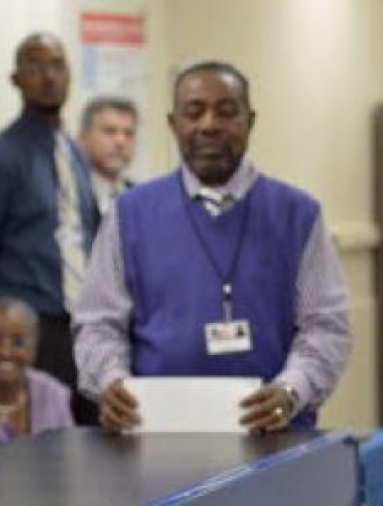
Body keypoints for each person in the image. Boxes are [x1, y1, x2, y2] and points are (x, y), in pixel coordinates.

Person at [73, 61, 352, 433]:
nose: (209, 125)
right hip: (156, 437)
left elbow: (326, 326)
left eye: (226, 111)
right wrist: (111, 383)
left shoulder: (298, 214)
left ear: (250, 121)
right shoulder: (129, 214)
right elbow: (97, 323)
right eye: (194, 112)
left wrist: (291, 389)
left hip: (275, 438)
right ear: (174, 124)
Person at [0, 32, 100, 425]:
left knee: (92, 439)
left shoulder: (74, 152)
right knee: (43, 449)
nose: (49, 77)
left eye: (57, 66)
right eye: (36, 68)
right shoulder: (0, 156)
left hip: (82, 325)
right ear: (16, 79)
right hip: (31, 328)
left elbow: (89, 235)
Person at [0, 297, 74, 446]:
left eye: (18, 342)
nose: (5, 352)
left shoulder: (53, 394)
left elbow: (67, 457)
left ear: (34, 348)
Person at [78, 96, 138, 214]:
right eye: (109, 131)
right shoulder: (69, 195)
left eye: (129, 134)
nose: (120, 142)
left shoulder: (140, 197)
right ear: (83, 138)